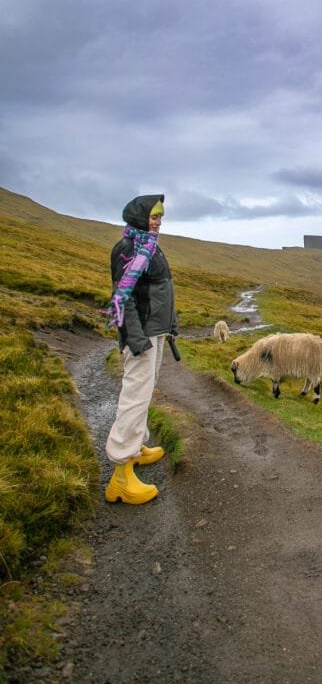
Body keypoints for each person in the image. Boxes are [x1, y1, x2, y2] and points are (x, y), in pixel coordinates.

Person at [102, 194, 178, 505]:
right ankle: (120, 476)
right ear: (138, 216)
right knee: (134, 397)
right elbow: (124, 298)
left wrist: (170, 326)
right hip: (142, 336)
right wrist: (136, 339)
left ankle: (136, 448)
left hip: (156, 332)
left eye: (161, 215)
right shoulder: (128, 248)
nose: (158, 220)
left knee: (145, 392)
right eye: (153, 215)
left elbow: (161, 289)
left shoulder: (148, 245)